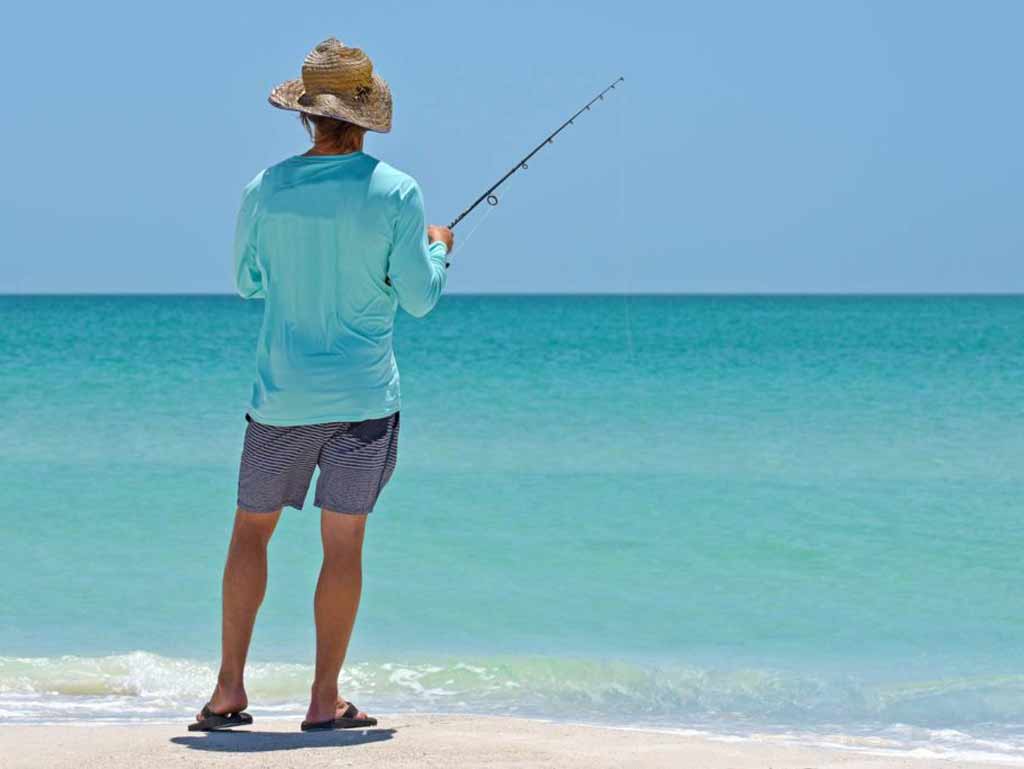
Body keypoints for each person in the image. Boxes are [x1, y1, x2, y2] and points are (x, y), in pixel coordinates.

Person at [189, 38, 453, 733]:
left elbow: (246, 283)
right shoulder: (397, 191)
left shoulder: (266, 188)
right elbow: (421, 298)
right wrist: (439, 249)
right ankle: (322, 698)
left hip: (280, 396)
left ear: (306, 115)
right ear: (365, 115)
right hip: (364, 398)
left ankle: (226, 690)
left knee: (251, 532)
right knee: (344, 545)